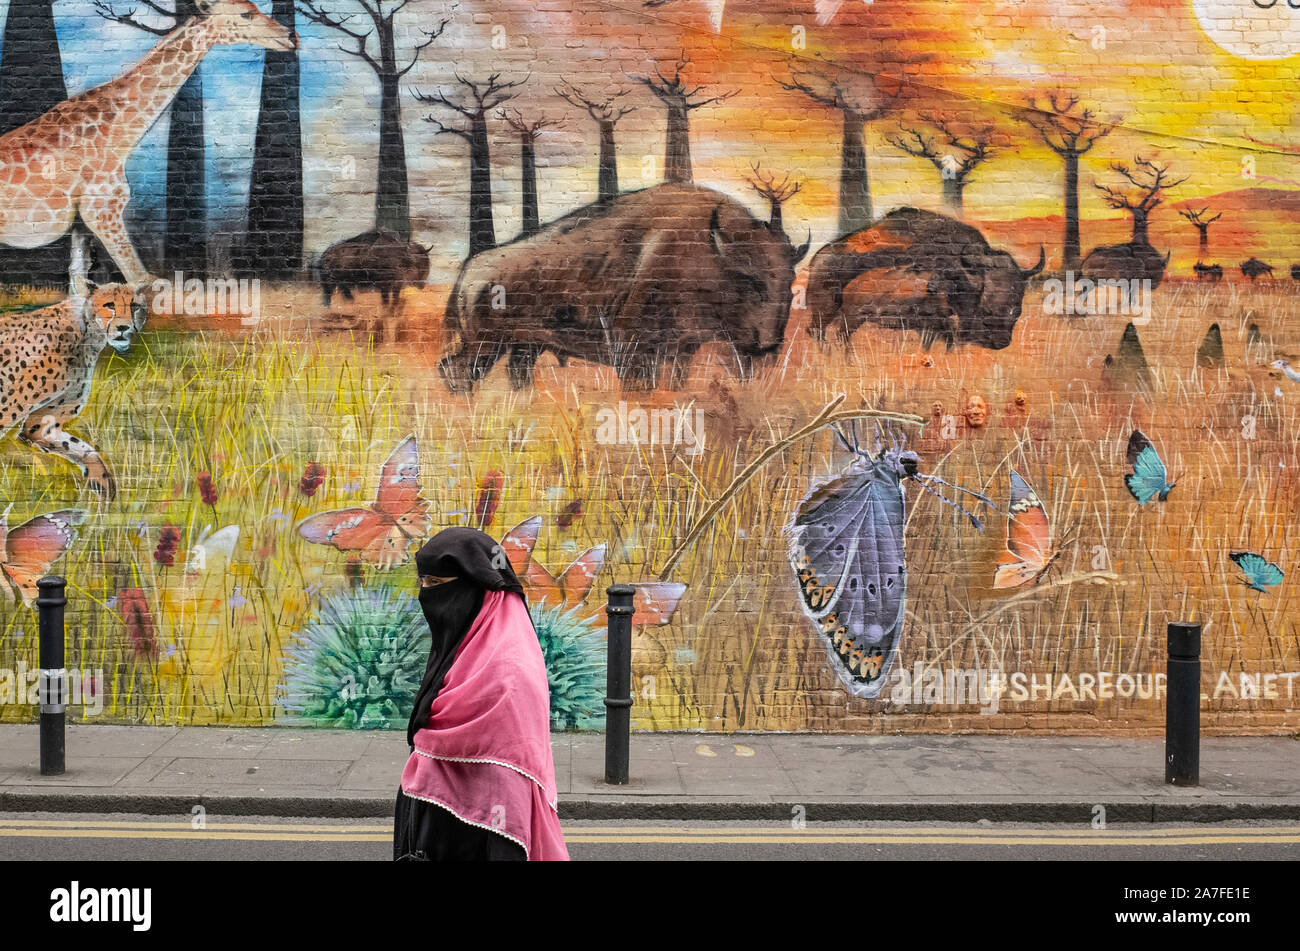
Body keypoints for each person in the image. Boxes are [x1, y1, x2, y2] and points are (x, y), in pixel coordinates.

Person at [394, 526, 569, 861]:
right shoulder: (467, 641)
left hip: (486, 831)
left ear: (475, 588)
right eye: (423, 584)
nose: (426, 597)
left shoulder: (509, 667)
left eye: (436, 585)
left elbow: (506, 773)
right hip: (436, 823)